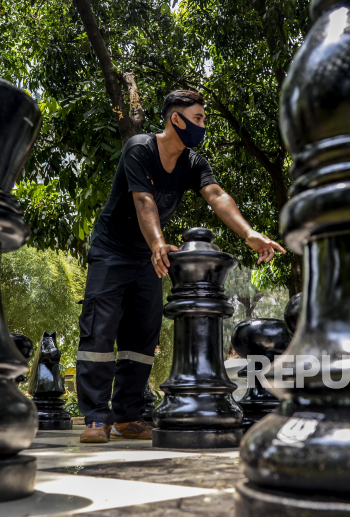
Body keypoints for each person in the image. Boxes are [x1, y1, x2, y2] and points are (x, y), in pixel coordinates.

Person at [77, 90, 285, 443]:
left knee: (142, 335)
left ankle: (127, 416)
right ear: (177, 119)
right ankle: (96, 419)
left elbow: (216, 196)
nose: (203, 125)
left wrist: (250, 233)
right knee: (100, 330)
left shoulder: (192, 162)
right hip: (112, 252)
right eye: (199, 118)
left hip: (147, 257)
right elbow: (143, 201)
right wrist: (158, 243)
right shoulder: (140, 148)